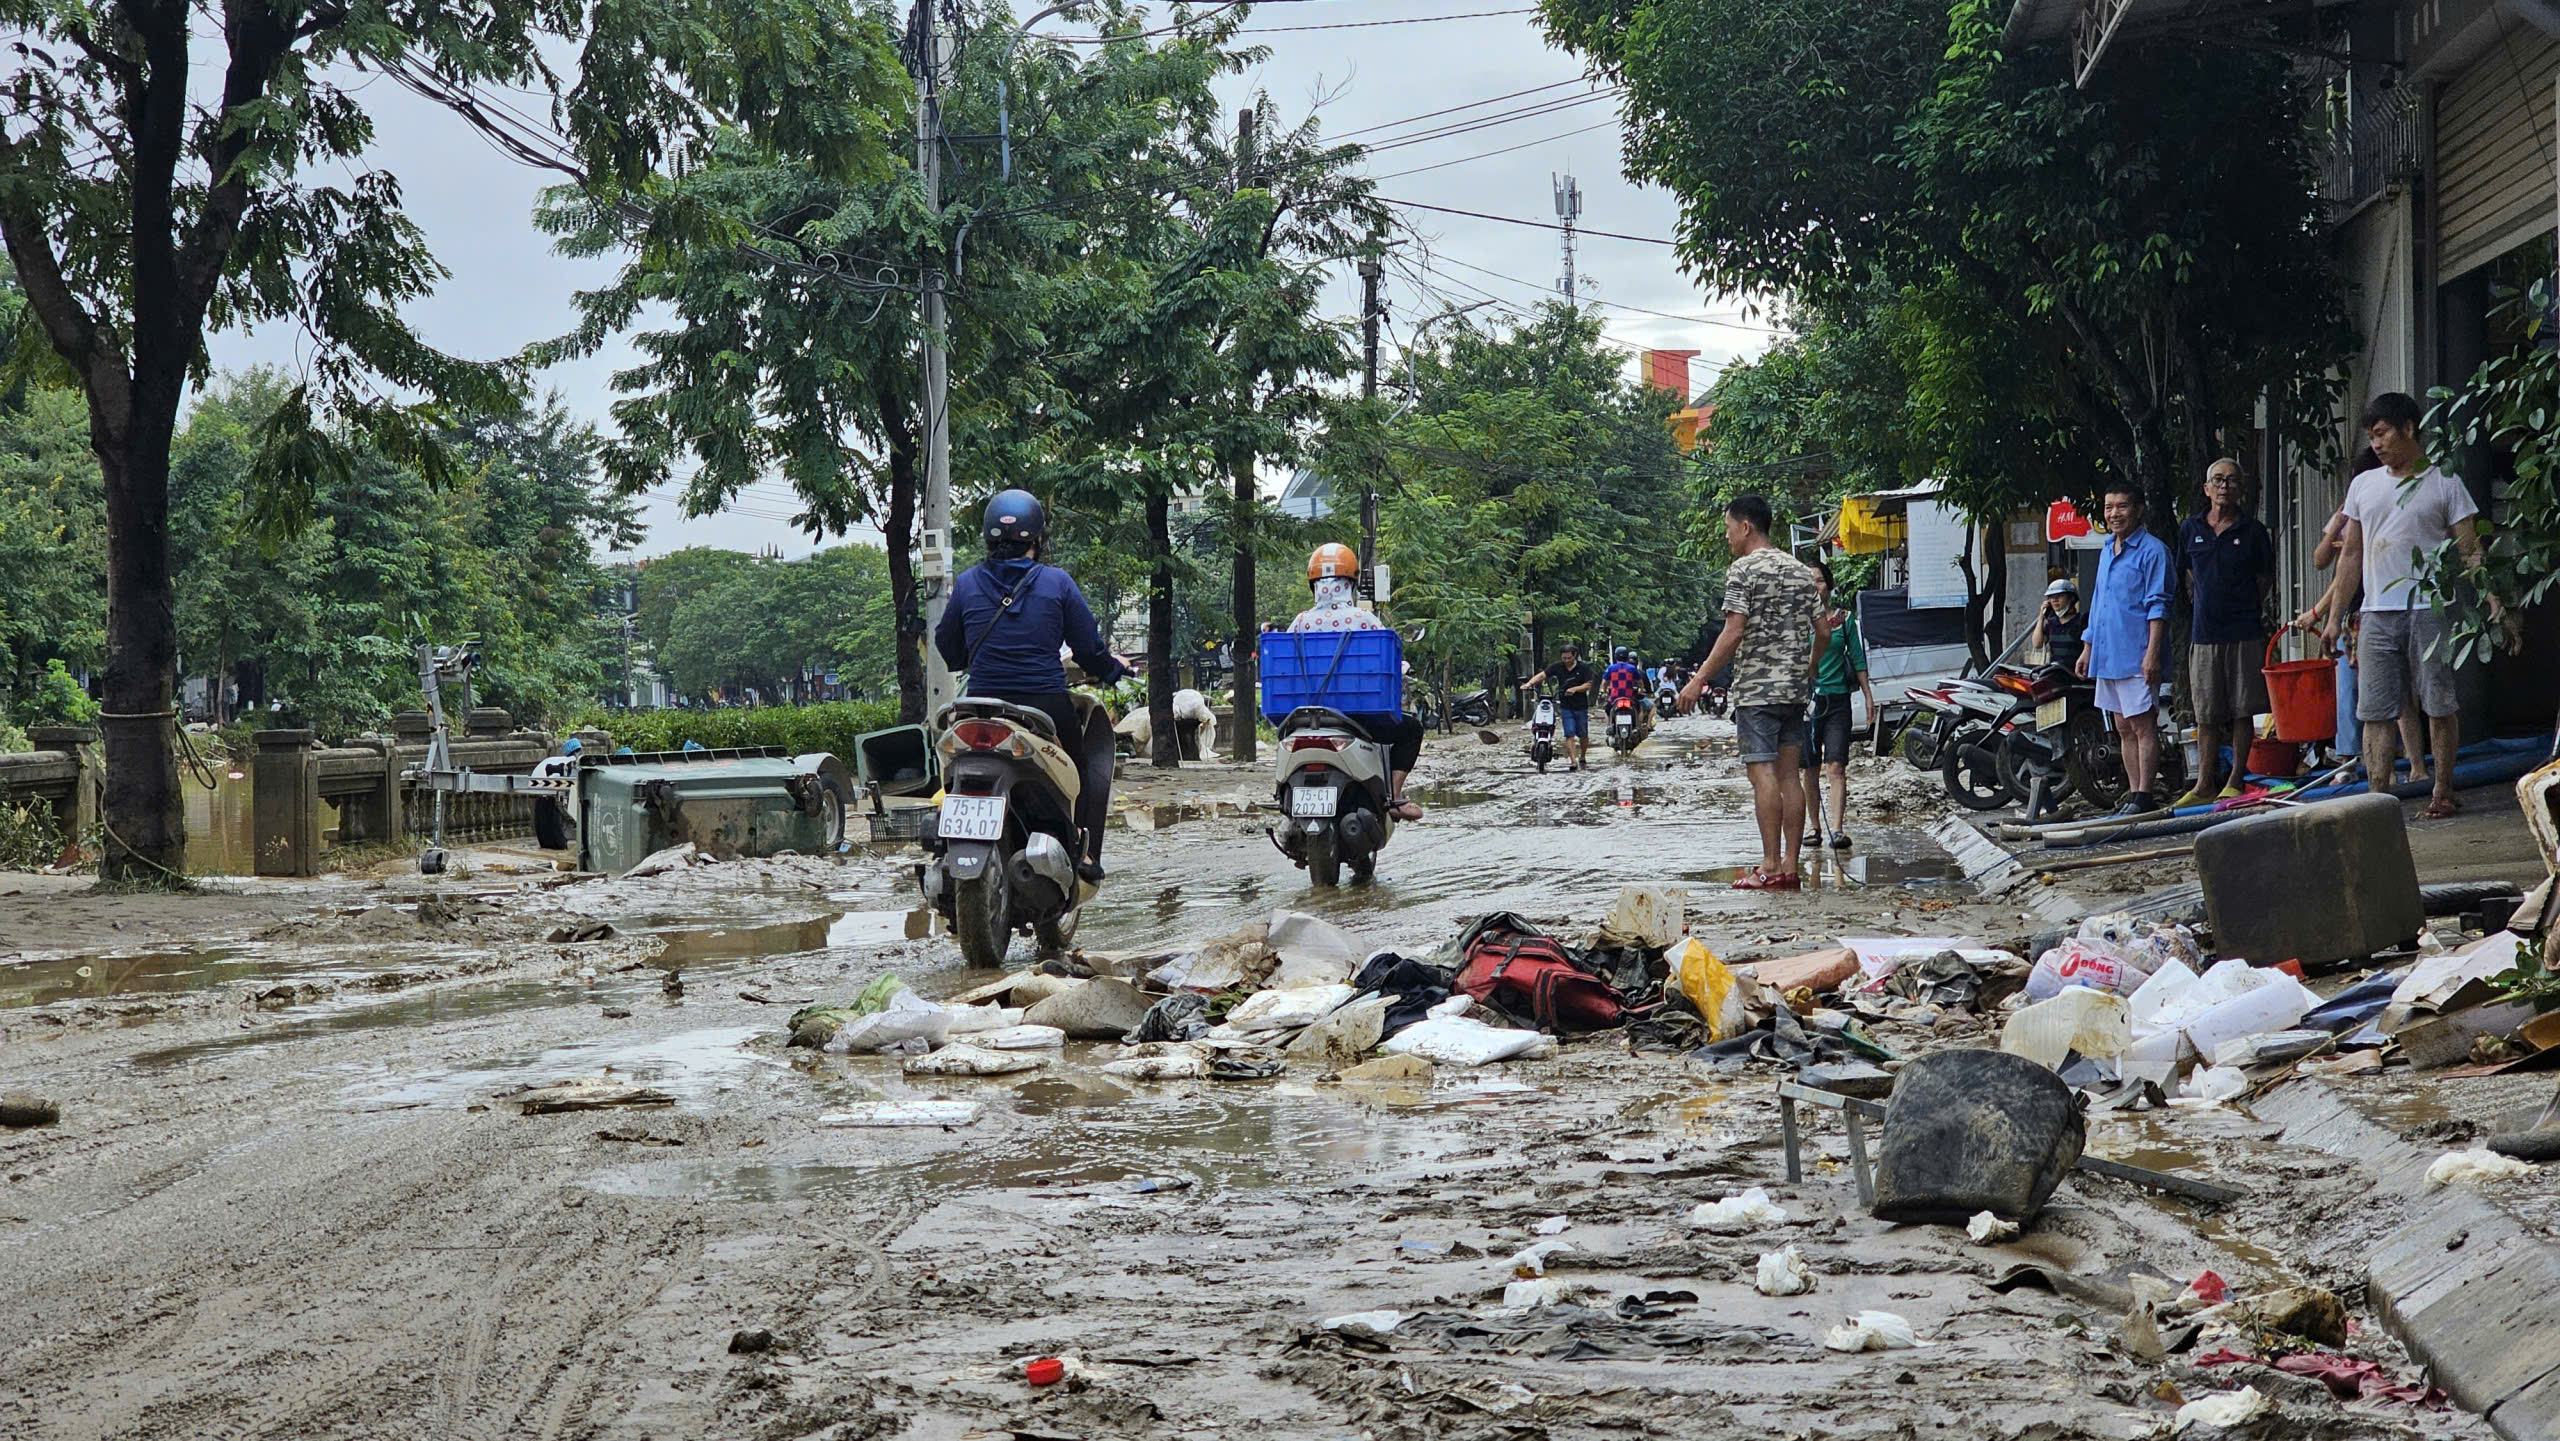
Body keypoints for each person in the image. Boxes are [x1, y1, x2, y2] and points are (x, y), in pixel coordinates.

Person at [2295, 392, 2493, 817]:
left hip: (2431, 607)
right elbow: (2349, 555)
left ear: (2408, 428)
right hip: (2376, 612)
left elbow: (2469, 548)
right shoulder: (2364, 485)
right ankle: (2377, 800)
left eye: (2382, 433)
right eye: (2371, 436)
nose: (2377, 444)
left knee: (2438, 701)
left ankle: (2442, 790)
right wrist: (2333, 619)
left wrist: (2491, 596)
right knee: (2375, 710)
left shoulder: (2444, 481)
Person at [934, 488, 1131, 882]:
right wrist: (1111, 669)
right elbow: (1088, 648)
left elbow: (945, 642)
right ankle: (1085, 851)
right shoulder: (1057, 583)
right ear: (1037, 540)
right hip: (1044, 707)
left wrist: (966, 660)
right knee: (1085, 766)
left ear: (989, 538)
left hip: (981, 706)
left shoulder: (968, 584)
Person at [1680, 494, 1828, 890]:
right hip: (1795, 693)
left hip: (1757, 692)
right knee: (1789, 776)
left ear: (1746, 527)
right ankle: (1791, 866)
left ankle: (1768, 865)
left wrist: (1698, 680)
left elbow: (1734, 630)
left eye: (1729, 530)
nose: (1728, 538)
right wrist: (1807, 667)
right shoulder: (1800, 571)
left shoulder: (1742, 571)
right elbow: (1825, 631)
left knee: (1762, 774)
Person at [2312, 446, 2429, 783]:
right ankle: (2379, 769)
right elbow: (2325, 562)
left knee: (2402, 693)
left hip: (2386, 602)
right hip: (2358, 608)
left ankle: (2415, 766)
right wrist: (2337, 526)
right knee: (2370, 694)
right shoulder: (2353, 507)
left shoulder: (2394, 506)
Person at [1287, 542, 1427, 820]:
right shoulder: (1365, 619)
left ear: (1313, 583)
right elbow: (1386, 662)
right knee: (1411, 730)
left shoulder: (1300, 622)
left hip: (1305, 717)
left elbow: (1285, 664)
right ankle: (1396, 798)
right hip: (1362, 716)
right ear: (1351, 582)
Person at [2172, 459, 2276, 805]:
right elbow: (2185, 577)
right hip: (2204, 634)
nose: (2224, 486)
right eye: (2218, 480)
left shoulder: (2253, 531)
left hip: (2244, 630)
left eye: (2232, 480)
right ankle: (2204, 783)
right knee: (2206, 712)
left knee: (2241, 708)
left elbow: (2264, 581)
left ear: (2240, 488)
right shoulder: (2191, 528)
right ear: (2206, 488)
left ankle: (2236, 778)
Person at [2078, 479, 2172, 814]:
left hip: (2137, 654)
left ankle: (2145, 794)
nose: (2114, 514)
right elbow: (2099, 600)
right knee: (2121, 726)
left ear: (2138, 509)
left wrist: (2152, 654)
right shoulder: (2106, 549)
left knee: (2142, 724)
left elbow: (2158, 606)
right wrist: (2088, 646)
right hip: (2108, 654)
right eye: (2108, 507)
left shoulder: (2153, 551)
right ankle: (2133, 794)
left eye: (2122, 506)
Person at [1802, 559, 1877, 851]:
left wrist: (1869, 695)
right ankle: (1813, 827)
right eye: (1809, 582)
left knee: (1836, 766)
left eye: (1819, 580)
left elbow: (1857, 659)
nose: (1815, 587)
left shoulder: (1844, 621)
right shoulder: (1796, 622)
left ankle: (1837, 828)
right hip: (1806, 702)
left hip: (1838, 702)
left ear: (1829, 586)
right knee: (1809, 768)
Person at [1519, 642, 1596, 770]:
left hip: (1581, 706)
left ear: (1575, 656)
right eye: (1564, 658)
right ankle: (1573, 761)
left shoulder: (1584, 668)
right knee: (1569, 733)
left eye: (1569, 658)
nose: (1566, 661)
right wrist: (1528, 684)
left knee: (1583, 734)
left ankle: (1582, 755)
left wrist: (1575, 689)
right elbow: (1542, 675)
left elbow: (1588, 685)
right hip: (1566, 706)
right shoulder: (1558, 667)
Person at [2029, 578, 2086, 672]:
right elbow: (2037, 644)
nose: (2055, 600)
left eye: (2060, 596)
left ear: (2071, 598)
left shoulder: (2082, 620)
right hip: (2055, 672)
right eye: (2051, 597)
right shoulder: (2052, 623)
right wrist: (2041, 616)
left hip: (2075, 673)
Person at [1602, 647, 1647, 726]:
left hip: (1614, 697)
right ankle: (1638, 727)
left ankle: (1609, 726)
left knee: (1607, 710)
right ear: (1627, 656)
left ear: (1616, 656)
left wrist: (1604, 691)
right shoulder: (1632, 668)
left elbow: (1605, 682)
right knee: (1639, 710)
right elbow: (1640, 682)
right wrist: (1641, 690)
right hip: (1629, 696)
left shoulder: (1611, 668)